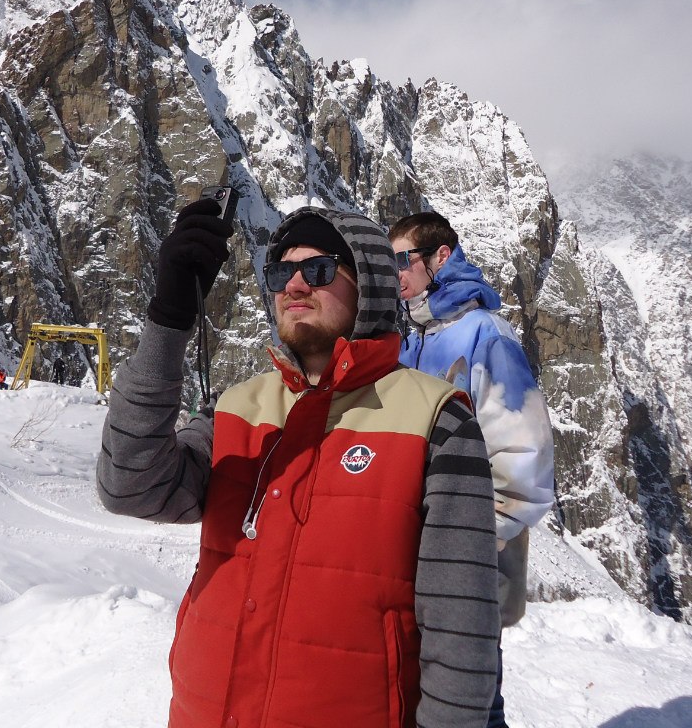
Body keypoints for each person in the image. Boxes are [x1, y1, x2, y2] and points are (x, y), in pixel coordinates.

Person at [97, 200, 501, 728]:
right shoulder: (237, 410)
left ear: (370, 284)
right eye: (280, 272)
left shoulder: (437, 420)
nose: (293, 285)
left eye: (318, 270)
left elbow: (461, 632)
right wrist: (169, 319)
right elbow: (129, 486)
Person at [389, 210, 556, 728]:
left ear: (441, 257)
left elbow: (525, 456)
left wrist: (474, 538)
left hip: (471, 564)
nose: (395, 272)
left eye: (403, 259)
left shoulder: (485, 334)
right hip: (419, 557)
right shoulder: (413, 339)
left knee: (474, 702)